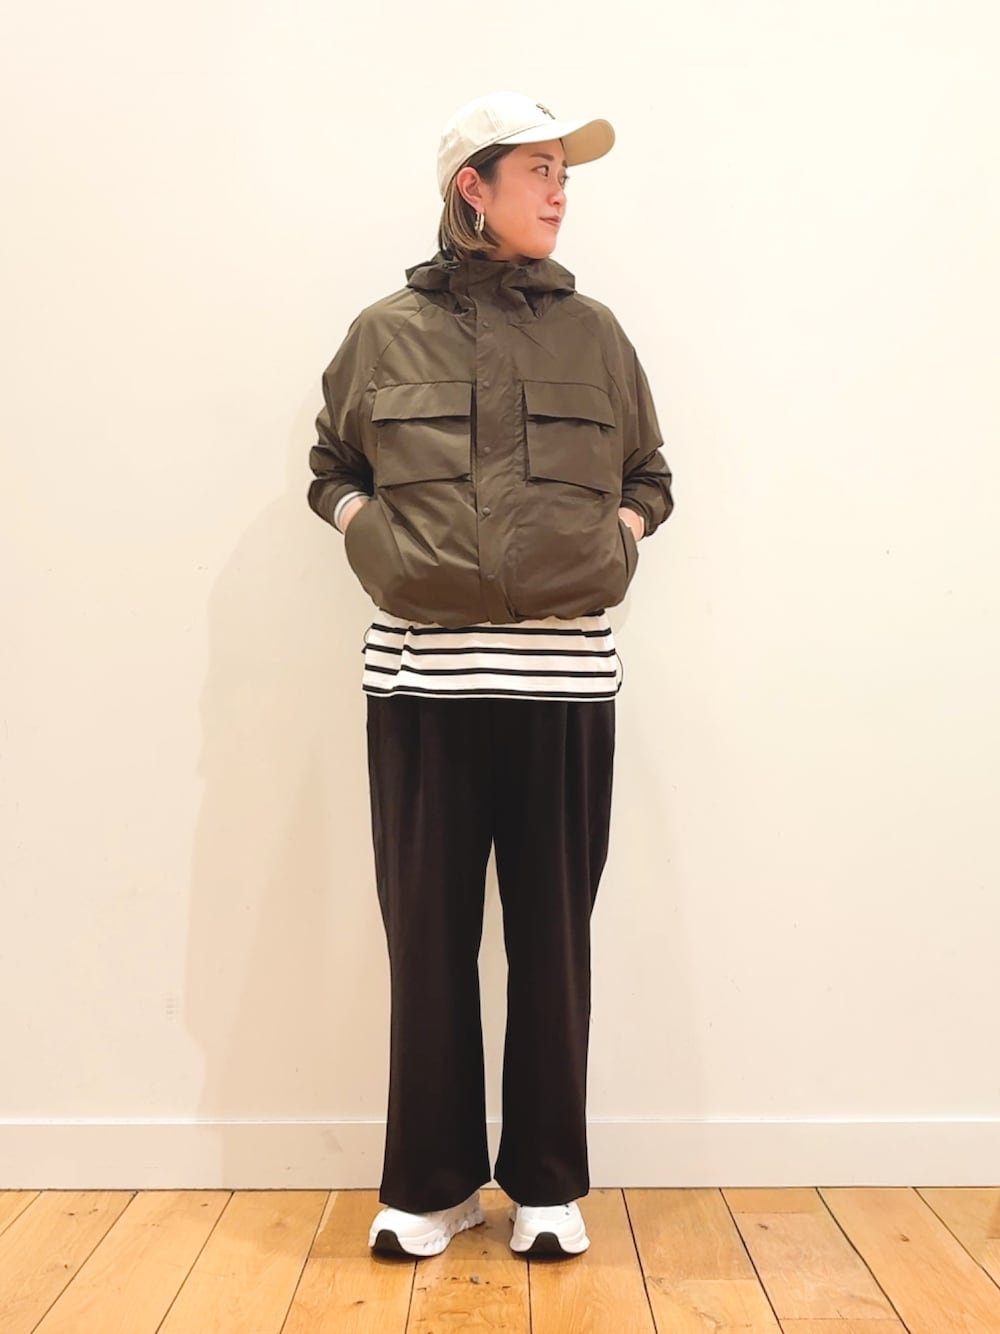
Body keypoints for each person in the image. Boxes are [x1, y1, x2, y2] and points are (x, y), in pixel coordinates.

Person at [307, 90, 674, 1259]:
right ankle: (431, 1185)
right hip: (423, 686)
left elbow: (651, 472)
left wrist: (619, 535)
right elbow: (330, 462)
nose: (561, 191)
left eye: (567, 172)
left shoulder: (596, 334)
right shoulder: (383, 333)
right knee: (427, 943)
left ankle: (548, 1185)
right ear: (474, 185)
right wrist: (370, 532)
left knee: (552, 944)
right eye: (540, 170)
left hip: (563, 686)